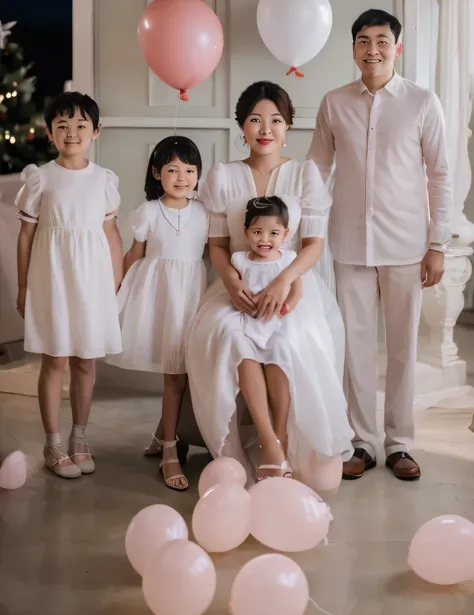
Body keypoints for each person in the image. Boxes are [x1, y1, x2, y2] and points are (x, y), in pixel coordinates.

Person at [308, 8, 453, 481]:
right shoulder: (333, 103)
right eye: (364, 40)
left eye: (382, 40)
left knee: (402, 348)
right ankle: (362, 442)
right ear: (353, 48)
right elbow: (316, 172)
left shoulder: (422, 102)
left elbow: (441, 175)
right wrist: (303, 231)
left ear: (397, 47)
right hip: (349, 245)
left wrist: (438, 244)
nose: (373, 49)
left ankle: (400, 443)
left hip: (408, 246)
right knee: (355, 349)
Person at [186, 81, 354, 484]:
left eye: (276, 120)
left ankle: (279, 437)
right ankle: (264, 443)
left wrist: (285, 282)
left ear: (288, 126)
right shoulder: (223, 176)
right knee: (227, 336)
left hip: (293, 288)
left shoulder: (304, 175)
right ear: (241, 126)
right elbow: (218, 246)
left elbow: (313, 244)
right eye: (255, 119)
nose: (266, 128)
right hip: (238, 289)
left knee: (291, 341)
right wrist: (230, 282)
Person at [15, 91, 123, 479]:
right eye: (62, 125)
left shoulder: (104, 181)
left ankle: (80, 437)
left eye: (80, 125)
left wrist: (115, 285)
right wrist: (24, 287)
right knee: (55, 360)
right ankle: (53, 443)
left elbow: (111, 235)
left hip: (91, 283)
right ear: (49, 132)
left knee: (84, 361)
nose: (72, 132)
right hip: (53, 280)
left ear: (96, 130)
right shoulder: (41, 179)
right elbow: (26, 236)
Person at [107, 136, 208, 491]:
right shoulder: (149, 211)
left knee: (184, 375)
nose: (182, 177)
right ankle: (169, 451)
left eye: (190, 169)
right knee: (174, 376)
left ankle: (162, 433)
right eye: (173, 169)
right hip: (159, 296)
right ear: (156, 172)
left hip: (191, 297)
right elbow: (135, 254)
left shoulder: (204, 212)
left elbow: (212, 255)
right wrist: (114, 289)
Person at [231, 196, 302, 352]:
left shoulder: (288, 259)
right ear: (245, 231)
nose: (264, 239)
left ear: (285, 234)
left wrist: (285, 308)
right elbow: (237, 286)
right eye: (257, 232)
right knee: (243, 348)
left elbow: (297, 288)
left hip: (277, 318)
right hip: (249, 317)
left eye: (274, 233)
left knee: (279, 351)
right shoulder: (240, 259)